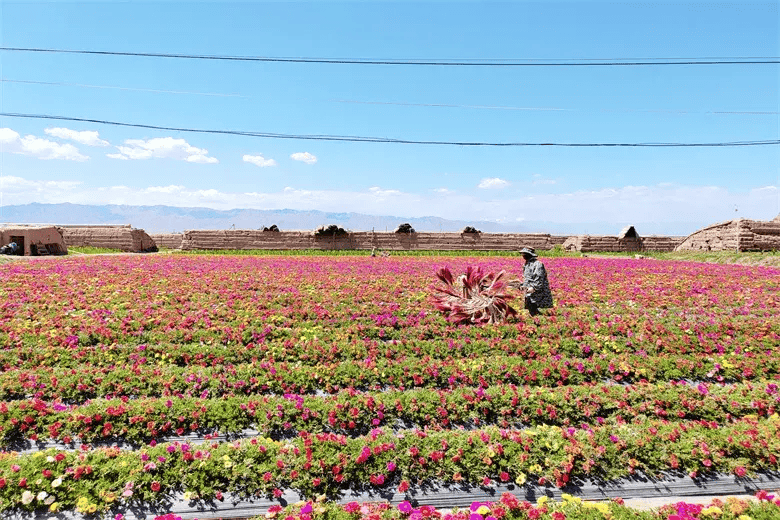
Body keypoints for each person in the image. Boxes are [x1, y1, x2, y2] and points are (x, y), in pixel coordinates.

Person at [519, 247, 553, 316]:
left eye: (524, 254)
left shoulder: (538, 264)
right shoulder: (527, 264)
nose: (523, 256)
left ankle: (540, 321)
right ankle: (537, 319)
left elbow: (539, 278)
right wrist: (523, 285)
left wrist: (534, 288)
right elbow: (527, 278)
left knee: (534, 306)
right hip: (529, 290)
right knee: (530, 306)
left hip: (537, 290)